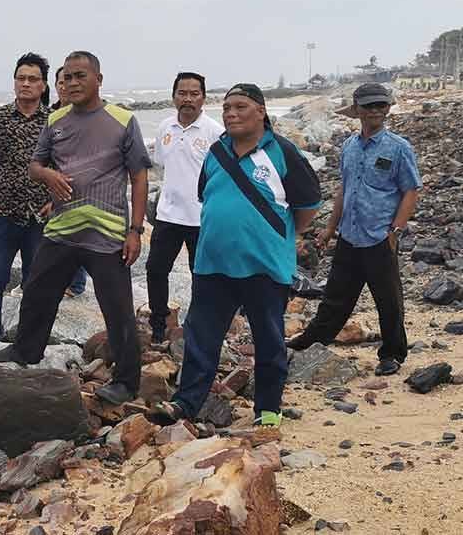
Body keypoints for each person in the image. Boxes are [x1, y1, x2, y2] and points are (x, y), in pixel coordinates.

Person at [148, 83, 321, 428]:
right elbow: (206, 196)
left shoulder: (283, 153)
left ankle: (268, 409)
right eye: (227, 108)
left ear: (261, 111)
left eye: (241, 107)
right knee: (200, 336)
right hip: (213, 264)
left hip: (265, 266)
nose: (231, 113)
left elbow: (306, 209)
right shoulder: (216, 152)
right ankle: (186, 402)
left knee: (268, 338)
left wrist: (273, 236)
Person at [0, 51, 151, 405]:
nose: (73, 83)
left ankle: (126, 381)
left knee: (117, 307)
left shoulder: (122, 120)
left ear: (98, 80)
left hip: (107, 234)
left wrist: (135, 230)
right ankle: (26, 351)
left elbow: (139, 175)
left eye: (81, 76)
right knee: (37, 291)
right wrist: (48, 175)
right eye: (69, 77)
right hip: (62, 227)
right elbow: (34, 165)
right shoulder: (56, 119)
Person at [287, 83, 421, 376]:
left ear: (387, 108)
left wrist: (395, 231)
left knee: (388, 300)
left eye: (380, 105)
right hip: (349, 235)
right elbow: (344, 190)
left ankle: (392, 354)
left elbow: (411, 190)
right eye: (369, 105)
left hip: (379, 236)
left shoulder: (399, 148)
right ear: (357, 110)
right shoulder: (348, 146)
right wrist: (329, 228)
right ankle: (314, 339)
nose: (375, 110)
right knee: (335, 296)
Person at [0, 53, 53, 352]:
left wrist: (56, 202)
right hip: (2, 213)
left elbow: (67, 165)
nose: (26, 83)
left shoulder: (54, 121)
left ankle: (29, 336)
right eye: (21, 78)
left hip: (40, 216)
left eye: (33, 79)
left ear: (43, 85)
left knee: (36, 281)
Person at [146, 72, 224, 343]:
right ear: (174, 96)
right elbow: (160, 164)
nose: (188, 99)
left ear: (203, 97)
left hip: (201, 218)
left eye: (194, 94)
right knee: (155, 270)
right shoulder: (166, 127)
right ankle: (158, 324)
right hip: (167, 215)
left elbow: (224, 175)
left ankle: (200, 326)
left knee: (200, 275)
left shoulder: (214, 132)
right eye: (182, 93)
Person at [50, 66, 89, 297]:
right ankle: (57, 281)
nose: (65, 86)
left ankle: (76, 284)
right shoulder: (50, 116)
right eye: (61, 81)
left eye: (70, 80)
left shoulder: (87, 115)